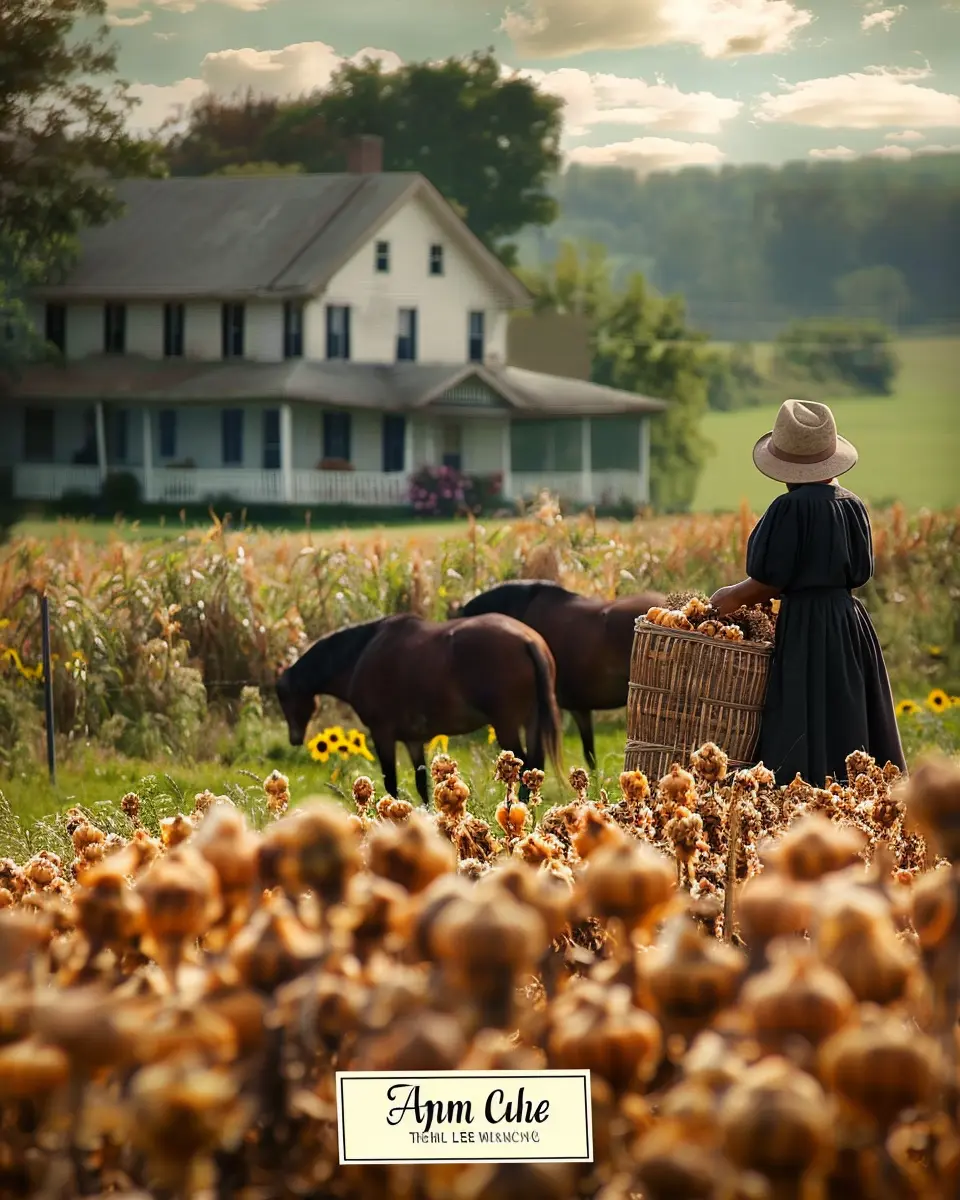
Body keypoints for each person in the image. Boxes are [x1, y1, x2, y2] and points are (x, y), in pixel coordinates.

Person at [709, 399, 906, 787]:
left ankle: (803, 792)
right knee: (848, 711)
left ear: (786, 469)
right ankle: (858, 797)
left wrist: (727, 597)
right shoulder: (853, 506)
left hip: (805, 626)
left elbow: (769, 580)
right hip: (848, 622)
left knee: (800, 713)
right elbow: (859, 573)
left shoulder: (789, 509)